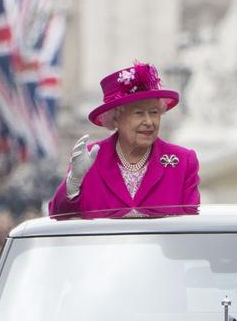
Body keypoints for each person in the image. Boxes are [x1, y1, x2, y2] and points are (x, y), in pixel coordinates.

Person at [48, 63, 200, 218]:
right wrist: (73, 182)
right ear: (115, 119)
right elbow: (59, 217)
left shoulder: (182, 161)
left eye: (154, 112)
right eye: (139, 113)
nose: (149, 121)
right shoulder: (89, 159)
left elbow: (191, 227)